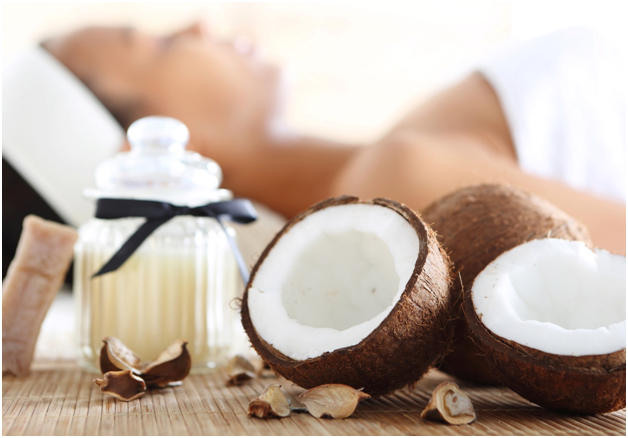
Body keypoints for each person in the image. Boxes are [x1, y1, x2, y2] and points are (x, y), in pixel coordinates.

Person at [11, 22, 628, 258]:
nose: (197, 25)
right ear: (149, 150)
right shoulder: (396, 186)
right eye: (164, 45)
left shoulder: (394, 161)